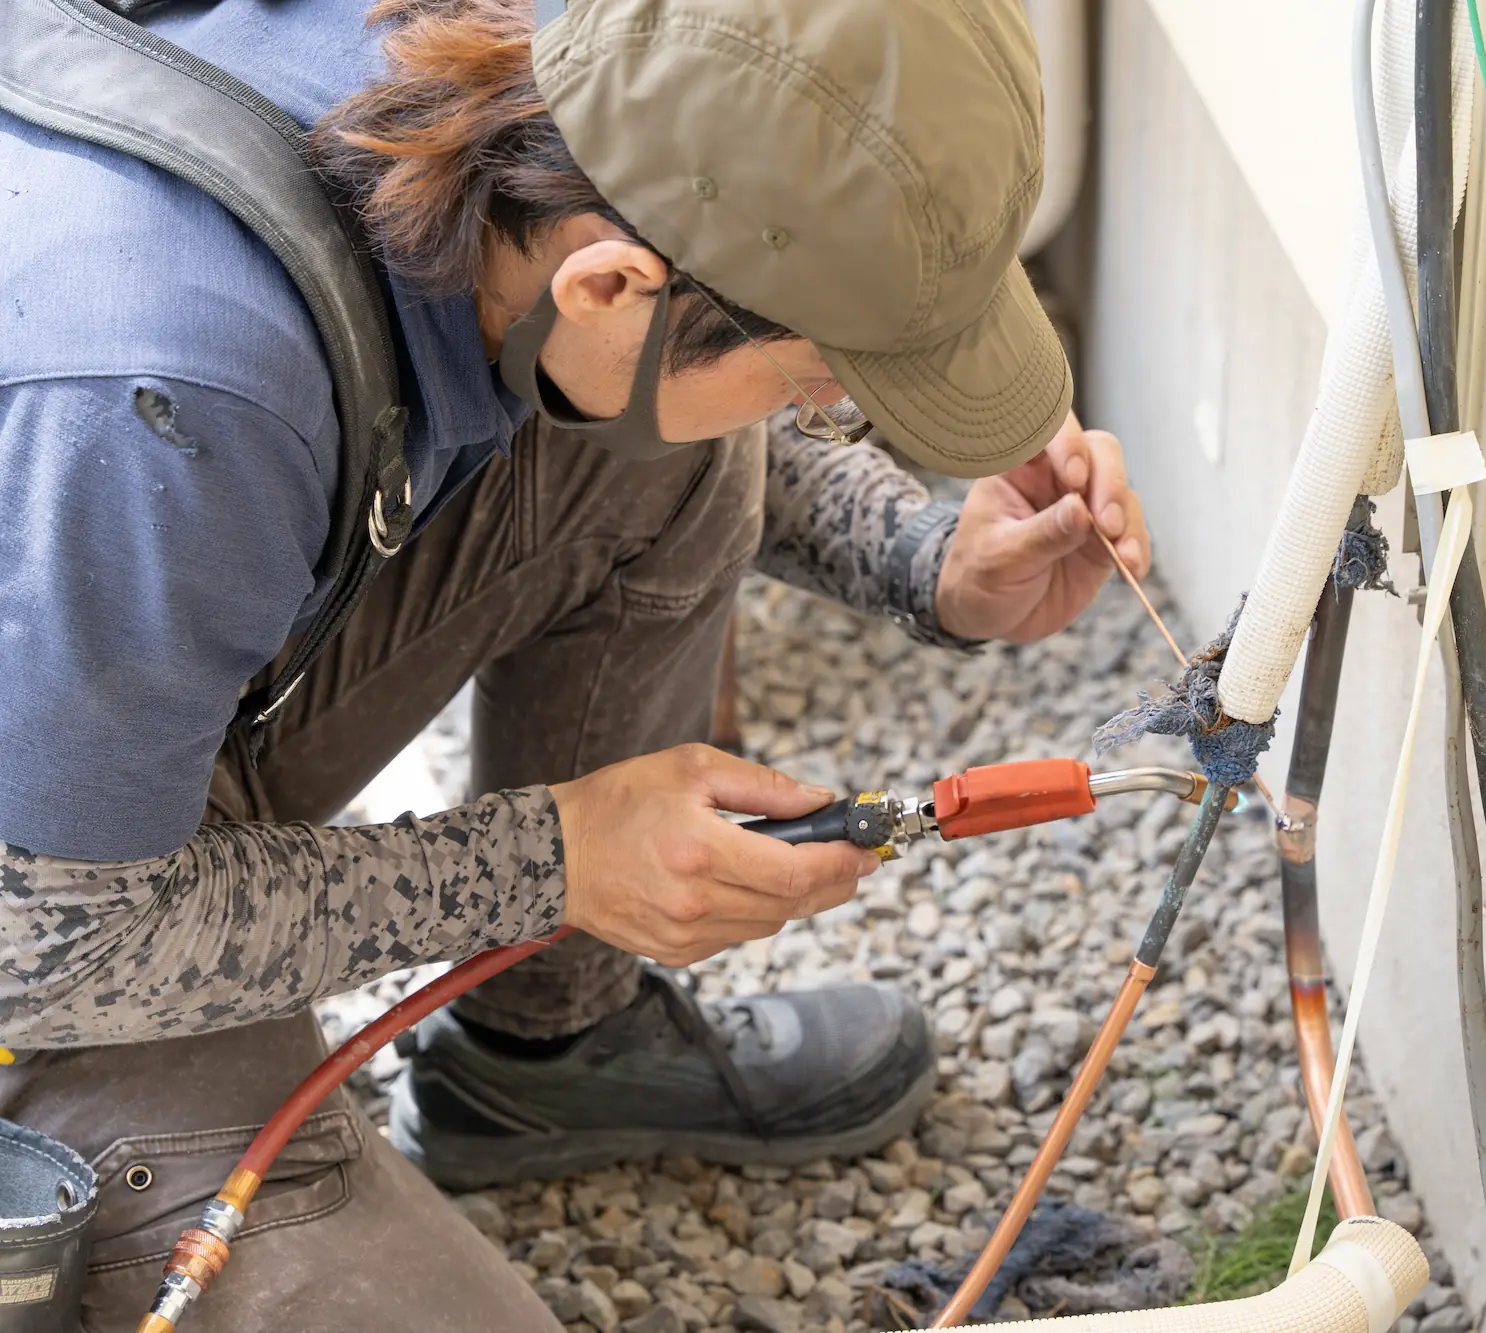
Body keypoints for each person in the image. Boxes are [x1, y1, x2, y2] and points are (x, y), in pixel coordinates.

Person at [0, 0, 1151, 1325]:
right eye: (819, 388)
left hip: (93, 686)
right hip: (43, 926)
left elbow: (642, 406)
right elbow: (49, 939)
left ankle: (545, 1048)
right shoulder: (175, 403)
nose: (827, 414)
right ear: (610, 287)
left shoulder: (557, 105)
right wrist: (556, 860)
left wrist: (929, 563)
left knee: (660, 438)